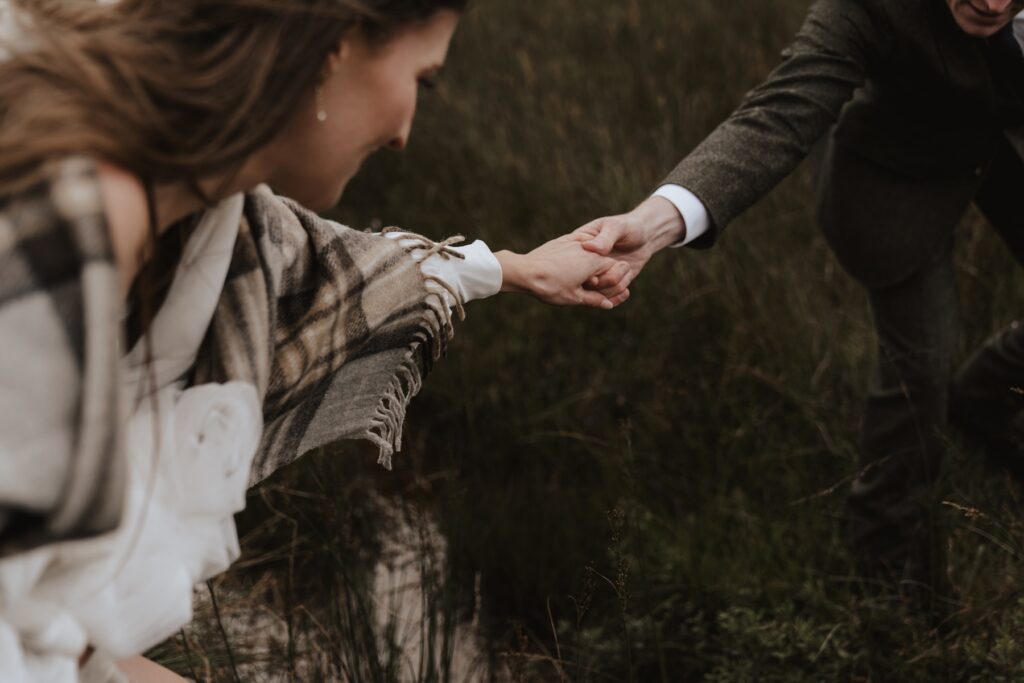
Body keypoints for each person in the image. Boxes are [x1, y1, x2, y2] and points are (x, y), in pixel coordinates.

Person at [0, 0, 632, 680]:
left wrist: (515, 268)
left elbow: (348, 276)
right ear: (333, 45)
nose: (404, 135)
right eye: (424, 79)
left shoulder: (215, 210)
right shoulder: (71, 221)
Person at [575, 0, 1024, 597]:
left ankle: (984, 396)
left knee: (953, 385)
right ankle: (885, 573)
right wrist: (656, 224)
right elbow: (777, 116)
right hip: (895, 181)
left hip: (1004, 154)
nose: (991, 1)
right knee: (923, 365)